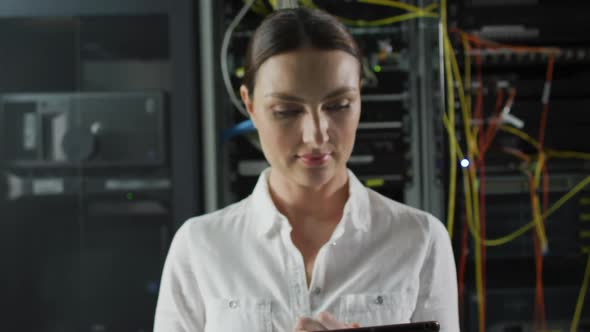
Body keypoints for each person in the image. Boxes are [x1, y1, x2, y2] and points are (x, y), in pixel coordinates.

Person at [154, 7, 459, 332]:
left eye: (339, 106)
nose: (316, 135)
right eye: (286, 111)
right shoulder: (200, 246)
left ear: (359, 99)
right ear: (251, 106)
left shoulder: (420, 240)